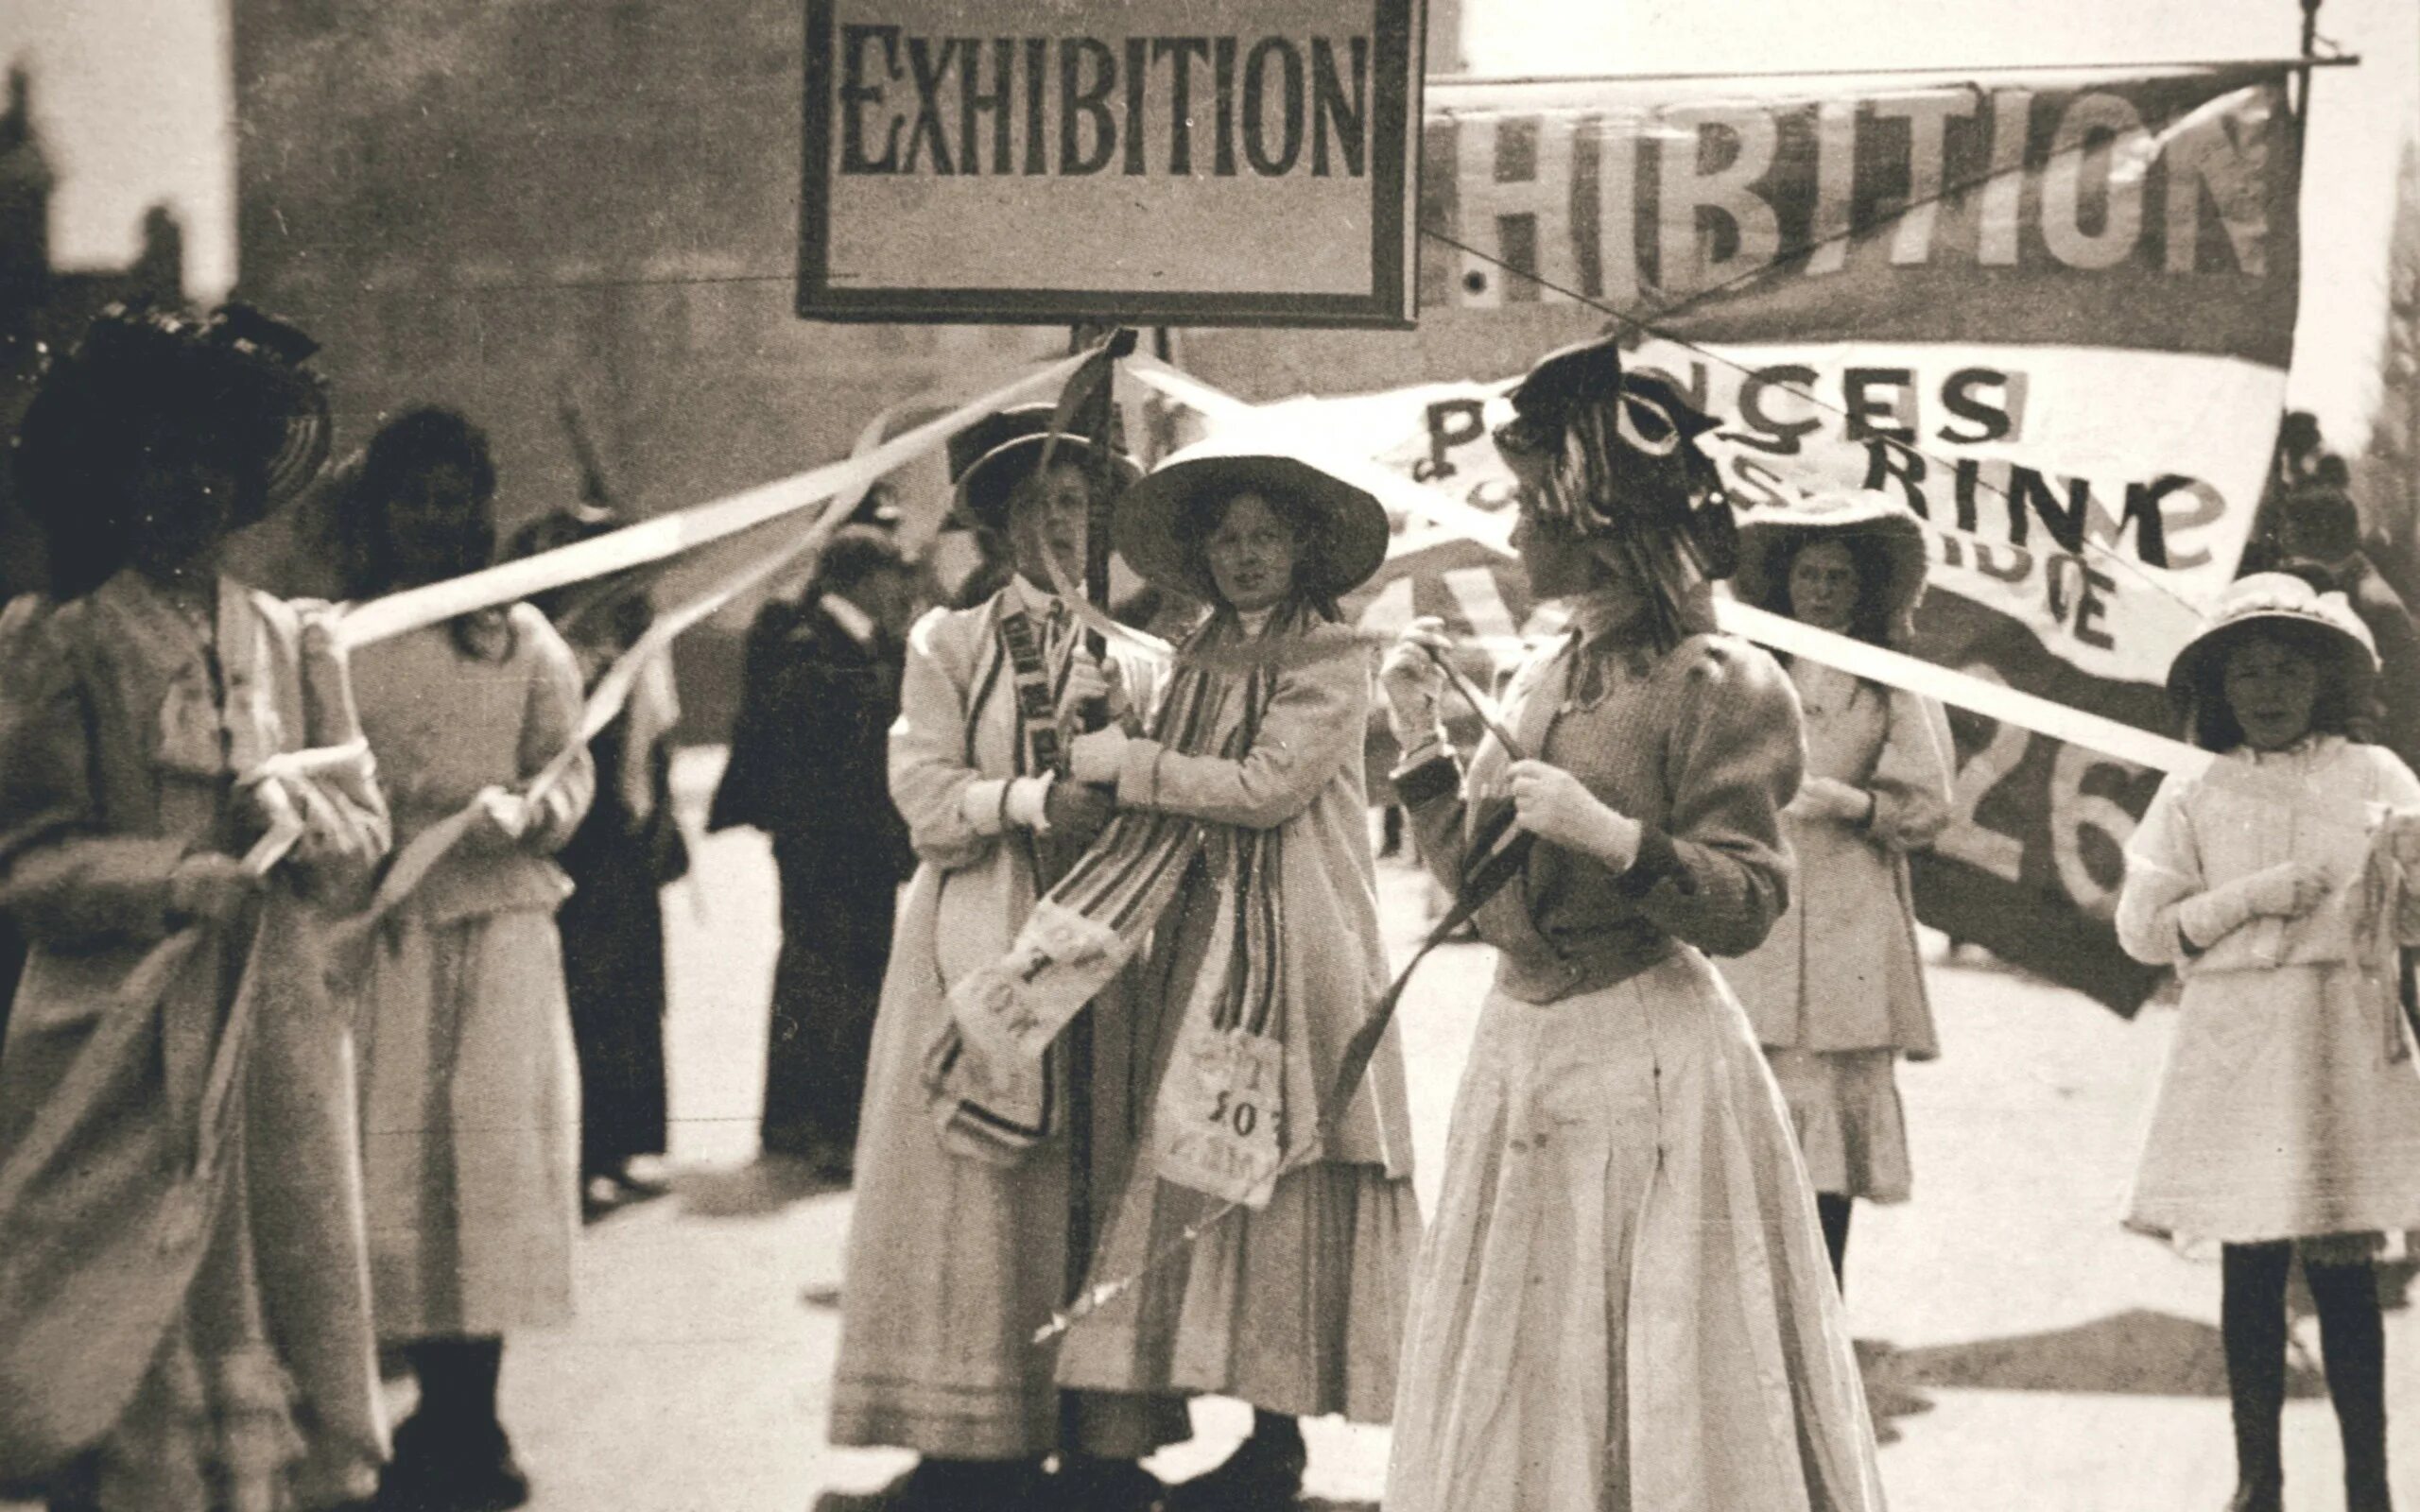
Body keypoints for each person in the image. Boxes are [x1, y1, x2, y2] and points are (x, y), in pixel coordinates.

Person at [1378, 336, 1884, 1512]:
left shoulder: (1722, 681)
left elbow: (1750, 899)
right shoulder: (1540, 670)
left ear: (1594, 518)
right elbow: (1490, 900)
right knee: (1531, 1343)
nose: (1512, 537)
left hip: (1645, 1055)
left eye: (1530, 511)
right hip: (1526, 1053)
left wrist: (1617, 840)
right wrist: (1418, 747)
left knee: (1658, 1350)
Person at [0, 302, 391, 1512]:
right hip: (126, 1031)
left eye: (208, 464)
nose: (187, 492)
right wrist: (172, 880)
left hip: (271, 1022)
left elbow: (366, 831)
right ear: (121, 479)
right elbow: (28, 861)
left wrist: (312, 832)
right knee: (121, 1310)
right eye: (158, 463)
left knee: (282, 1281)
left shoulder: (288, 640)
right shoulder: (65, 642)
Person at [1039, 443, 1421, 1508]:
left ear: (1302, 550)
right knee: (1214, 1166)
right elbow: (1159, 753)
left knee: (1283, 1173)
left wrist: (1135, 765)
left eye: (1265, 536)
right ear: (1202, 556)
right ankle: (1233, 1423)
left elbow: (1263, 787)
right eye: (1226, 537)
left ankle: (1279, 1435)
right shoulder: (1194, 650)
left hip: (1296, 939)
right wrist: (1106, 713)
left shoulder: (1333, 653)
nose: (1245, 555)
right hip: (1208, 929)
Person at [828, 404, 1187, 1512]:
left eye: (1077, 501)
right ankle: (968, 1438)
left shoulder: (1146, 656)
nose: (1059, 525)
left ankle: (1104, 1438)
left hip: (1107, 945)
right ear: (991, 521)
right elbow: (923, 793)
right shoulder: (951, 642)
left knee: (1098, 1172)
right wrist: (1030, 799)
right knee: (978, 1181)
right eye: (1032, 504)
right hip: (979, 927)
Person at [332, 406, 596, 1512]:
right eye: (416, 501)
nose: (437, 521)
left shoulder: (525, 638)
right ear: (382, 512)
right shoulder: (339, 639)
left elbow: (569, 773)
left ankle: (471, 1416)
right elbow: (327, 775)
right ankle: (400, 1410)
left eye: (455, 500)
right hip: (384, 935)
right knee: (395, 1169)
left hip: (498, 936)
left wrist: (530, 813)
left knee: (486, 1168)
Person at [2115, 570, 2420, 1512]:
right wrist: (2246, 897)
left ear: (2323, 678)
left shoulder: (2373, 777)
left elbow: (2408, 921)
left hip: (2339, 1038)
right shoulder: (2196, 784)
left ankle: (2368, 1482)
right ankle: (2259, 1479)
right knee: (2250, 1262)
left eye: (2286, 669)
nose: (2267, 691)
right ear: (2219, 687)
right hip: (2236, 1046)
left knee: (2341, 1268)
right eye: (2246, 673)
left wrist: (2406, 873)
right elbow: (2142, 928)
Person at [1721, 491, 1954, 1289]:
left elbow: (1929, 803)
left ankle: (1823, 1314)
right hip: (1763, 906)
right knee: (1750, 1131)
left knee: (1827, 1146)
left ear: (1866, 591)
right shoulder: (1745, 672)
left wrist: (1855, 803)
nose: (1820, 591)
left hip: (1851, 915)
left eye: (1838, 579)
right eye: (1808, 575)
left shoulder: (1889, 681)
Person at [707, 524, 920, 1177]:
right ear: (861, 577)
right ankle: (828, 1127)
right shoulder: (812, 646)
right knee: (835, 980)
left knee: (822, 976)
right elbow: (816, 765)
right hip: (834, 851)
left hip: (848, 849)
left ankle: (802, 1122)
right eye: (893, 573)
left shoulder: (855, 641)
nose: (903, 587)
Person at [509, 504, 687, 1218]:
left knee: (633, 998)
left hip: (624, 841)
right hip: (578, 844)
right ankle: (577, 1163)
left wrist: (663, 823)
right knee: (583, 1000)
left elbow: (656, 741)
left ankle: (619, 1145)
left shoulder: (634, 640)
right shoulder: (552, 647)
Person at [2271, 479, 2420, 772]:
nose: (2281, 536)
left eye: (2288, 527)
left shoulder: (2373, 602)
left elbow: (2406, 700)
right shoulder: (2331, 581)